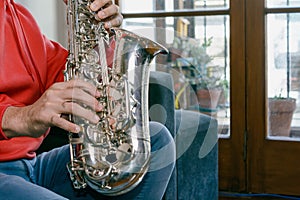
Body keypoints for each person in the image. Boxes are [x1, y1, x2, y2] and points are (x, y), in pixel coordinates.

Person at [0, 0, 175, 199]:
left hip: (30, 166)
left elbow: (69, 75)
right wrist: (22, 117)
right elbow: (27, 114)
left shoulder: (18, 14)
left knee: (158, 141)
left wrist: (102, 37)